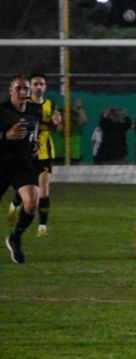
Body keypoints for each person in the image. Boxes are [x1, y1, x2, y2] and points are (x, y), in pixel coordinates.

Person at [8, 73, 61, 238]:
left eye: (41, 83)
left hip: (45, 152)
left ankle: (42, 226)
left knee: (44, 190)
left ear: (45, 87)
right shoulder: (23, 104)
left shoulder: (51, 105)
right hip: (26, 153)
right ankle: (14, 204)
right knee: (28, 186)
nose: (38, 86)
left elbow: (57, 129)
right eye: (35, 83)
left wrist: (56, 123)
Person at [1, 75, 41, 263]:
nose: (23, 91)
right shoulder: (2, 110)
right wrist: (5, 136)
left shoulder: (34, 111)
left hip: (21, 164)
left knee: (32, 201)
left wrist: (34, 145)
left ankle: (15, 238)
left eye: (25, 88)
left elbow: (33, 132)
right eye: (18, 88)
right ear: (10, 91)